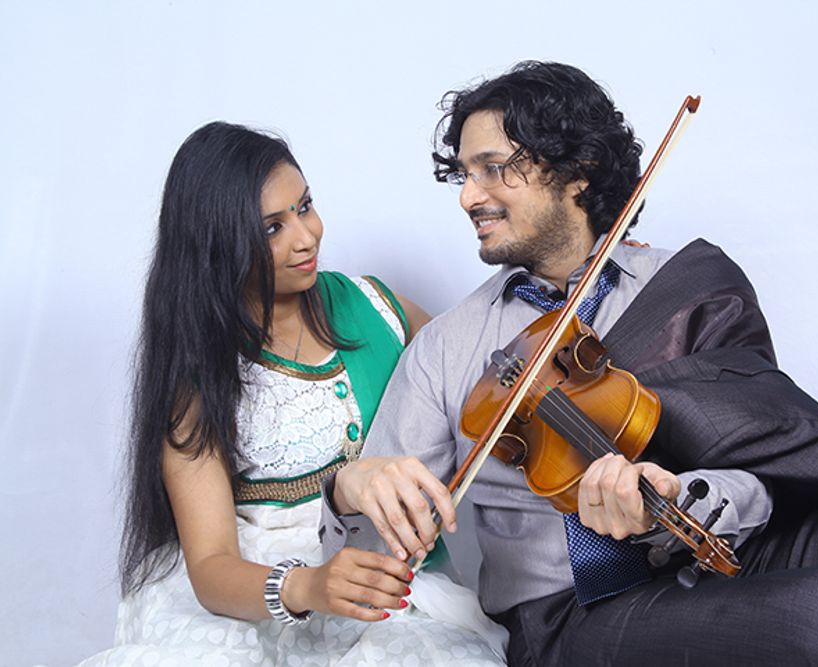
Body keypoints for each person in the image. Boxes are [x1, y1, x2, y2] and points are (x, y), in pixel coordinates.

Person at [320, 61, 818, 666]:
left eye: (495, 168)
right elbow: (372, 550)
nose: (469, 196)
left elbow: (764, 456)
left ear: (577, 171)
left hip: (738, 551)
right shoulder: (446, 347)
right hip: (576, 614)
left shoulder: (690, 284)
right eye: (464, 175)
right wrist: (350, 488)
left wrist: (679, 498)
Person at [80, 122, 507, 666]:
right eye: (271, 228)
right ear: (218, 245)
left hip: (389, 582)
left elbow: (478, 386)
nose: (305, 237)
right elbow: (211, 567)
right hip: (259, 601)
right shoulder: (200, 377)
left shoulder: (377, 308)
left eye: (305, 207)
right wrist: (310, 586)